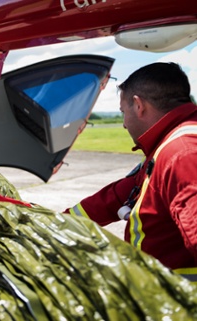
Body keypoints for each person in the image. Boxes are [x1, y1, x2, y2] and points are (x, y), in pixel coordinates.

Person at [65, 62, 197, 282]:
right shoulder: (170, 143)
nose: (124, 124)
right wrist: (51, 222)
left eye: (123, 112)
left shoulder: (182, 152)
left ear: (138, 105)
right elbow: (118, 196)